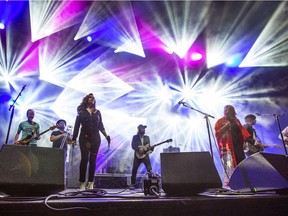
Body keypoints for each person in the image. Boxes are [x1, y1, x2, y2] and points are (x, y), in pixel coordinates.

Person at [72, 93, 110, 190]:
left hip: (95, 138)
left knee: (93, 161)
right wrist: (73, 139)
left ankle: (91, 183)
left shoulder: (97, 112)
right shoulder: (81, 111)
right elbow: (77, 125)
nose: (91, 100)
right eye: (90, 98)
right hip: (84, 137)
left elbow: (100, 125)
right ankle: (81, 183)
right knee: (84, 159)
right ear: (86, 100)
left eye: (93, 99)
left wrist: (106, 135)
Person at [214, 105, 257, 186]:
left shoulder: (237, 121)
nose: (227, 111)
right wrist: (225, 127)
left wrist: (244, 143)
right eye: (226, 110)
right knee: (230, 164)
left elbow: (242, 132)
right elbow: (217, 133)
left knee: (241, 163)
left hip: (238, 146)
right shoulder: (220, 121)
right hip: (228, 147)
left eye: (230, 110)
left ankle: (243, 182)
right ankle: (231, 183)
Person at [130, 124, 153, 190]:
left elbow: (148, 146)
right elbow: (133, 146)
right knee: (134, 169)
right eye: (143, 128)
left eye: (144, 129)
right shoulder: (135, 137)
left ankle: (152, 183)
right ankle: (132, 184)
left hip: (145, 156)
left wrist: (151, 149)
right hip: (137, 156)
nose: (144, 130)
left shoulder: (147, 137)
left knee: (149, 170)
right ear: (139, 129)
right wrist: (138, 149)